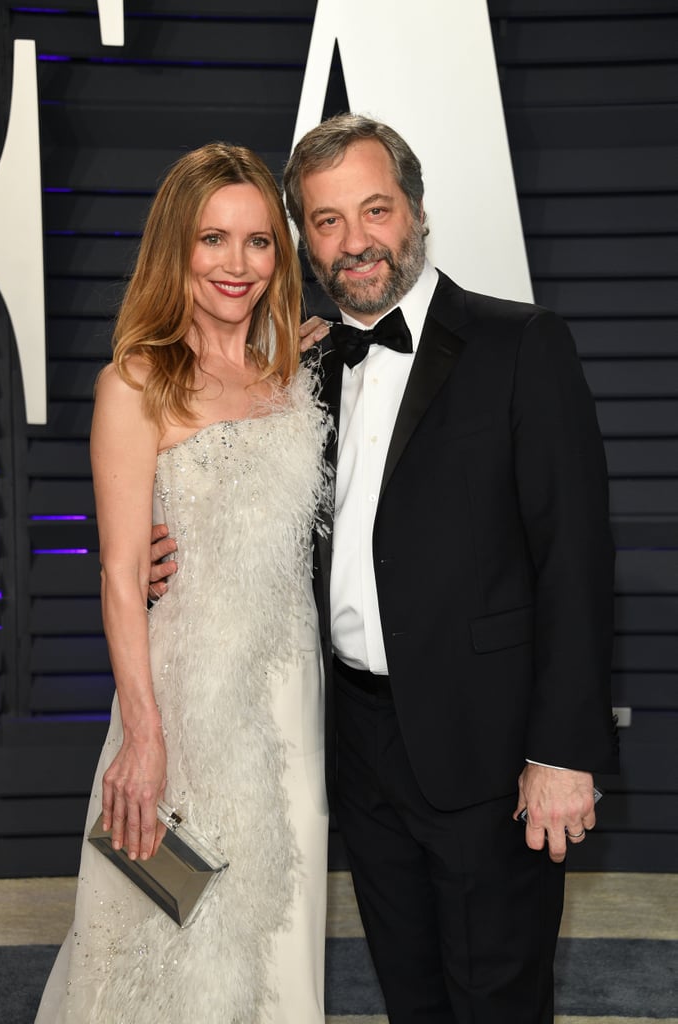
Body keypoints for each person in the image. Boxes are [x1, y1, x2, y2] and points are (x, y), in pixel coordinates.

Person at [152, 114, 619, 1023]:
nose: (355, 240)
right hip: (353, 746)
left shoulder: (521, 347)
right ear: (303, 240)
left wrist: (562, 752)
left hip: (488, 746)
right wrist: (151, 559)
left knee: (497, 999)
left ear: (413, 213)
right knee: (409, 992)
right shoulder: (296, 367)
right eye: (325, 221)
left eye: (375, 210)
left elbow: (577, 560)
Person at [35, 142, 330, 1024]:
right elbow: (122, 577)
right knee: (167, 928)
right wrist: (145, 736)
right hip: (181, 695)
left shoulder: (296, 372)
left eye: (258, 241)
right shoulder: (134, 383)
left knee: (281, 919)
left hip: (287, 694)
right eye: (212, 240)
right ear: (176, 249)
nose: (236, 265)